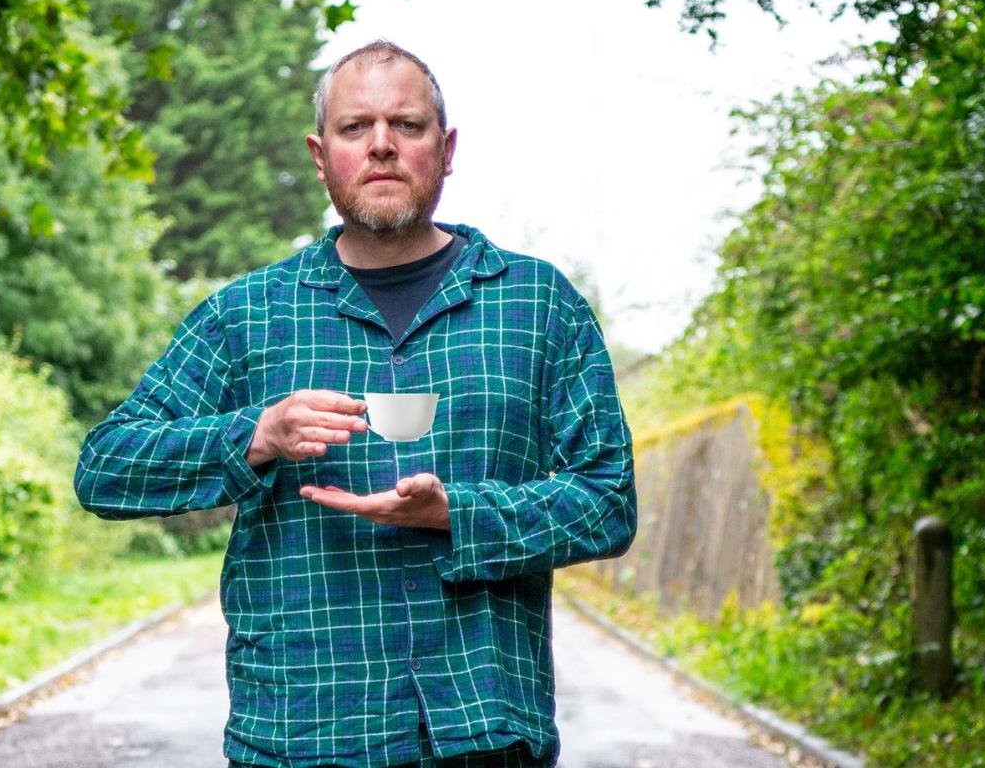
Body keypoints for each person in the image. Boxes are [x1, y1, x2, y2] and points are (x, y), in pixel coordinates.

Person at [75, 40, 637, 768]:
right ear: (320, 154)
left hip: (483, 736)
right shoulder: (249, 314)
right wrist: (257, 433)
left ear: (447, 146)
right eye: (354, 128)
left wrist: (457, 516)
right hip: (302, 733)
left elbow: (608, 499)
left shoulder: (537, 304)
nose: (381, 145)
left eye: (406, 124)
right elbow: (105, 466)